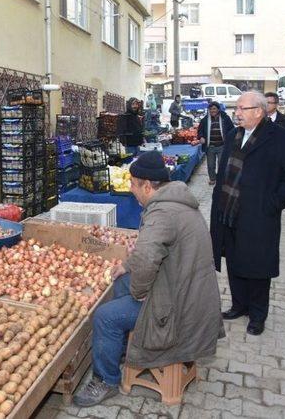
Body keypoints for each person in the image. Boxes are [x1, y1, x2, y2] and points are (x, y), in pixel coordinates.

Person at [73, 151, 225, 407]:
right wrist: (127, 267)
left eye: (133, 184)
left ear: (146, 185)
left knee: (105, 317)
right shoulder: (175, 203)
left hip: (180, 309)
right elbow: (150, 253)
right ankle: (117, 348)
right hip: (187, 294)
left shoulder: (162, 214)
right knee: (120, 283)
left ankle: (106, 380)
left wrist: (139, 290)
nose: (131, 190)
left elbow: (146, 260)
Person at [210, 91, 285, 336]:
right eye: (236, 108)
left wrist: (271, 204)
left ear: (259, 112)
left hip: (259, 216)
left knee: (258, 265)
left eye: (242, 108)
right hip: (229, 212)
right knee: (234, 260)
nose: (237, 113)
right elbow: (223, 175)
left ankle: (258, 314)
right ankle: (239, 305)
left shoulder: (282, 139)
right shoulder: (233, 135)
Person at [197, 102, 235, 185]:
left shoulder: (225, 118)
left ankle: (221, 179)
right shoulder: (205, 119)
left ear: (218, 109)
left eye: (214, 109)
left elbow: (232, 130)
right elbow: (200, 131)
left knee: (222, 164)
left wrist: (230, 140)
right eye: (210, 109)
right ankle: (212, 179)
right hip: (210, 146)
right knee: (210, 165)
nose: (212, 111)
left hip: (222, 146)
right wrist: (201, 137)